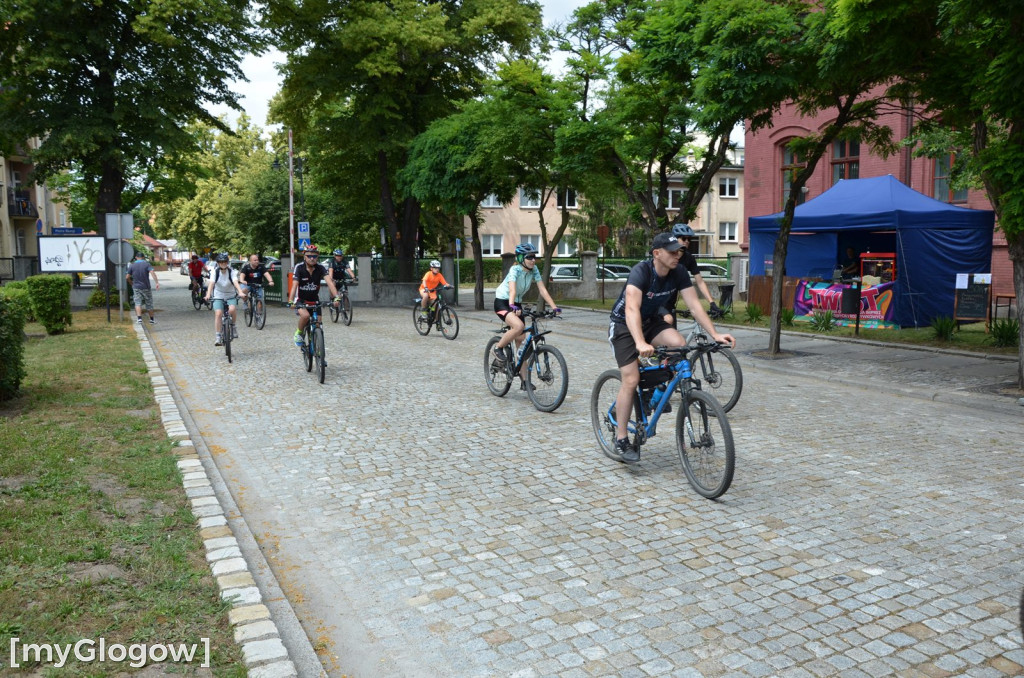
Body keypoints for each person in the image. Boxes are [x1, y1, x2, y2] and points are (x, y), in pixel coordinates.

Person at [608, 232, 736, 463]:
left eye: (679, 251)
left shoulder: (678, 272)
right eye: (672, 251)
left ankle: (653, 395)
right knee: (630, 379)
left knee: (679, 345)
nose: (678, 255)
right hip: (624, 326)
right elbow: (631, 310)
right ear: (657, 253)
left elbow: (695, 306)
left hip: (651, 322)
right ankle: (621, 439)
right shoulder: (641, 272)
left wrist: (715, 334)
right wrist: (639, 342)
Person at [491, 243, 560, 389]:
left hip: (516, 303)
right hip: (503, 301)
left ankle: (524, 381)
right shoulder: (514, 269)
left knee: (521, 342)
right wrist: (511, 305)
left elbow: (542, 289)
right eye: (530, 257)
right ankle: (498, 348)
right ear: (521, 258)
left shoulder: (534, 269)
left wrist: (554, 307)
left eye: (534, 257)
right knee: (519, 326)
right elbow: (512, 290)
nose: (533, 260)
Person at [288, 245, 340, 347]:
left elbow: (330, 283)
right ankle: (299, 333)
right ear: (304, 256)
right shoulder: (299, 268)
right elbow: (294, 286)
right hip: (301, 300)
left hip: (314, 300)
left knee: (318, 324)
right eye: (309, 256)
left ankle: (318, 350)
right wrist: (290, 301)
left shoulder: (320, 268)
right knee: (306, 316)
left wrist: (336, 297)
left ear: (317, 257)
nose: (312, 258)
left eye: (314, 256)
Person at [671, 224, 720, 318]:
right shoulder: (667, 256)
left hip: (672, 300)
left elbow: (700, 282)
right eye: (684, 238)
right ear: (675, 239)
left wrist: (712, 303)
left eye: (689, 239)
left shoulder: (689, 258)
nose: (687, 241)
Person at [203, 253, 247, 346]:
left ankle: (234, 326)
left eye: (225, 262)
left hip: (230, 295)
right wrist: (208, 294)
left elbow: (235, 282)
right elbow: (211, 283)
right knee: (218, 313)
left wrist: (240, 292)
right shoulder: (215, 272)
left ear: (227, 263)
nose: (223, 263)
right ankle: (218, 336)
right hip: (218, 295)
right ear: (218, 263)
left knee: (232, 309)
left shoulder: (232, 271)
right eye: (221, 262)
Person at [126, 251, 160, 325]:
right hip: (146, 287)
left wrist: (131, 283)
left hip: (136, 287)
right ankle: (151, 320)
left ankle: (139, 319)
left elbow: (127, 277)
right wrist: (156, 282)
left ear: (136, 257)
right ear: (143, 257)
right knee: (149, 303)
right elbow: (152, 272)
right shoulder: (147, 264)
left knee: (138, 303)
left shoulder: (132, 265)